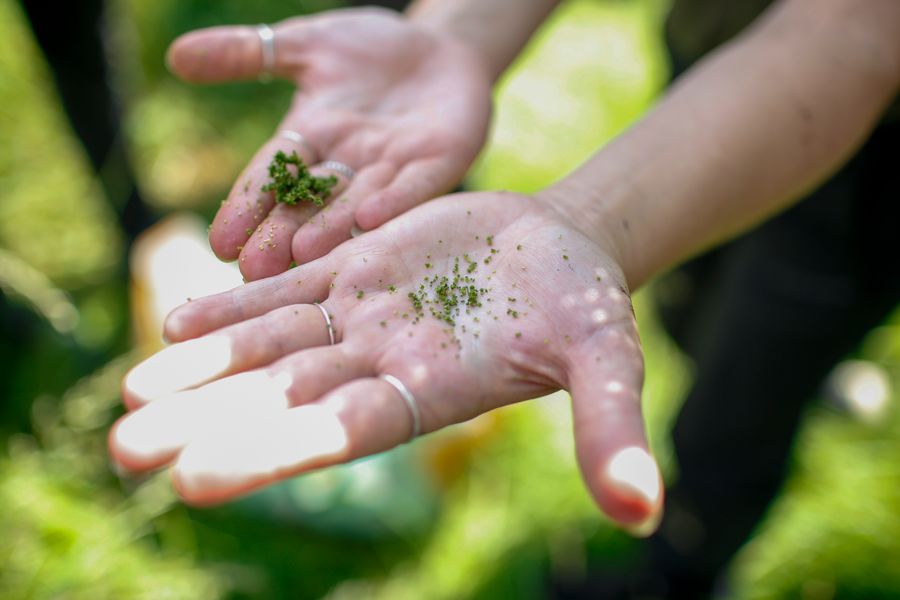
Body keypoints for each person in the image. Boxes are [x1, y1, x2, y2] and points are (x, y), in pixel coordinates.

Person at [108, 0, 900, 596]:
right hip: (724, 47)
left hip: (873, 154)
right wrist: (454, 36)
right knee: (696, 309)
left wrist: (587, 223)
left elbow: (855, 30)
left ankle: (687, 556)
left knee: (759, 367)